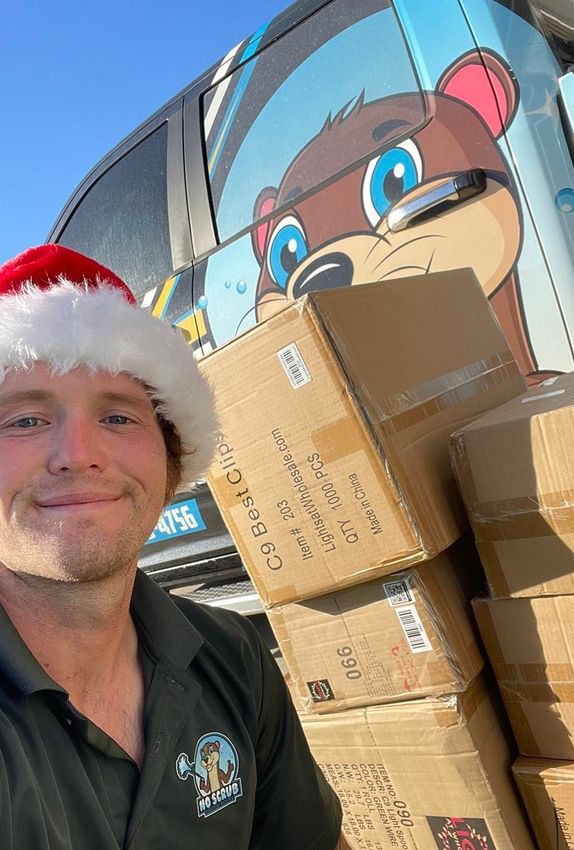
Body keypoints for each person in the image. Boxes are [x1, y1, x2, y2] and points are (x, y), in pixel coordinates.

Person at [0, 244, 347, 849]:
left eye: (118, 417)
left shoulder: (233, 657)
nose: (78, 453)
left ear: (171, 459)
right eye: (25, 420)